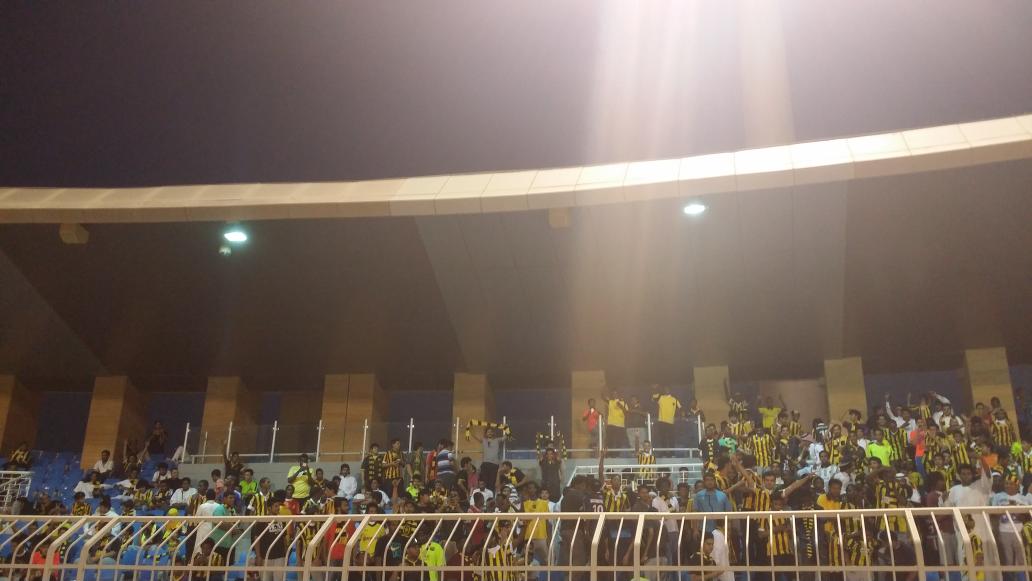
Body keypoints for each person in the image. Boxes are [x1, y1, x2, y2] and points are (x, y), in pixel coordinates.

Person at [990, 475, 1030, 581]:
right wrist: (1005, 508)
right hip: (1004, 531)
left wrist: (1017, 510)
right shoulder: (998, 497)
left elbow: (1027, 516)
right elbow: (992, 514)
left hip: (1019, 530)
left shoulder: (1023, 498)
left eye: (1011, 484)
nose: (1008, 486)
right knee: (1007, 560)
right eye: (1007, 483)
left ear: (1017, 486)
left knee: (1021, 559)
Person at [651, 385, 682, 454]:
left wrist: (679, 416)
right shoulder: (661, 397)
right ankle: (663, 452)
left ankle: (672, 453)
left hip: (671, 422)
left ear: (671, 390)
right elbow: (653, 398)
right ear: (663, 390)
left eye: (668, 389)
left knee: (671, 438)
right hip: (662, 421)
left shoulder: (674, 399)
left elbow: (679, 408)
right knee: (663, 438)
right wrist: (655, 388)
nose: (666, 390)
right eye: (665, 389)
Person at [472, 426, 505, 491]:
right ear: (486, 433)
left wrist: (506, 428)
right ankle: (484, 495)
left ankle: (491, 496)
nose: (489, 433)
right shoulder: (484, 440)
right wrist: (469, 428)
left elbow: (506, 437)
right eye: (488, 432)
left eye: (491, 432)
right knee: (484, 482)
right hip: (485, 464)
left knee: (492, 483)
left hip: (494, 465)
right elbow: (474, 436)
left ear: (493, 433)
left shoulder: (497, 440)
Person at [601, 388, 629, 453]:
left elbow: (627, 413)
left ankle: (617, 455)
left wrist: (621, 406)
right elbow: (603, 397)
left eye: (616, 393)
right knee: (610, 441)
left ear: (619, 394)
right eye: (613, 393)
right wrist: (603, 390)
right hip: (611, 424)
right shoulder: (610, 402)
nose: (615, 395)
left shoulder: (624, 403)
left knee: (619, 441)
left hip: (620, 425)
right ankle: (610, 455)